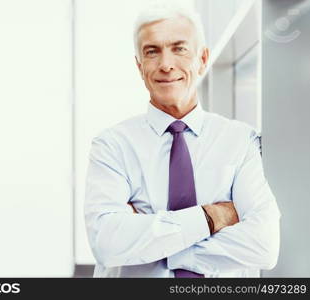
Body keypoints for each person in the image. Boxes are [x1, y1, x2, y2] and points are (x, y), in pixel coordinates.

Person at [84, 4, 280, 277]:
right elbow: (107, 243)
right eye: (152, 51)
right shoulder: (112, 146)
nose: (166, 64)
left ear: (202, 59)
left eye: (179, 48)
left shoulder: (241, 141)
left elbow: (264, 246)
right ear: (139, 66)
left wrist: (152, 244)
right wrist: (213, 217)